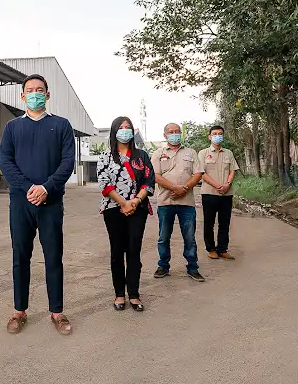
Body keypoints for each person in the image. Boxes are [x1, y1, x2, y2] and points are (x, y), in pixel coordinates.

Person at [0, 74, 75, 335]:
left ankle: (57, 312)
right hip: (21, 204)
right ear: (22, 96)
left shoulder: (62, 126)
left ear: (48, 95)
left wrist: (46, 188)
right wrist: (29, 188)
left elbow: (67, 163)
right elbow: (6, 163)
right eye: (29, 90)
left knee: (53, 257)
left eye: (39, 90)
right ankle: (20, 310)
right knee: (21, 257)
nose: (34, 94)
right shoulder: (12, 128)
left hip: (51, 203)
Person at [97, 117, 155, 312]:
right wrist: (122, 202)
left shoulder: (142, 156)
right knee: (117, 251)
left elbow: (149, 181)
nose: (124, 131)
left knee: (133, 250)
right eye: (120, 128)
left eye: (127, 127)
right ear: (114, 132)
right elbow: (104, 183)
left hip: (138, 209)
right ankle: (119, 294)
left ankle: (134, 294)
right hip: (113, 209)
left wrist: (135, 201)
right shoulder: (106, 156)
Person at [151, 123, 205, 282]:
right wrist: (175, 187)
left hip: (187, 202)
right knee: (163, 236)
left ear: (181, 134)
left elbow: (198, 173)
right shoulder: (158, 153)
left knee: (189, 237)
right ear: (165, 135)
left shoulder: (191, 152)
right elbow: (155, 176)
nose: (174, 134)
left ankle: (193, 267)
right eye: (171, 132)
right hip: (165, 202)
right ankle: (163, 266)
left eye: (177, 132)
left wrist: (185, 188)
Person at [198, 125, 240, 260]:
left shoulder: (228, 153)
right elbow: (201, 173)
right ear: (209, 137)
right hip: (209, 193)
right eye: (214, 133)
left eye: (220, 133)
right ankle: (211, 249)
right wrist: (217, 185)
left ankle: (222, 249)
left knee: (225, 223)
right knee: (209, 223)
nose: (217, 136)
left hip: (226, 194)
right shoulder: (203, 153)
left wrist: (227, 184)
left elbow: (232, 170)